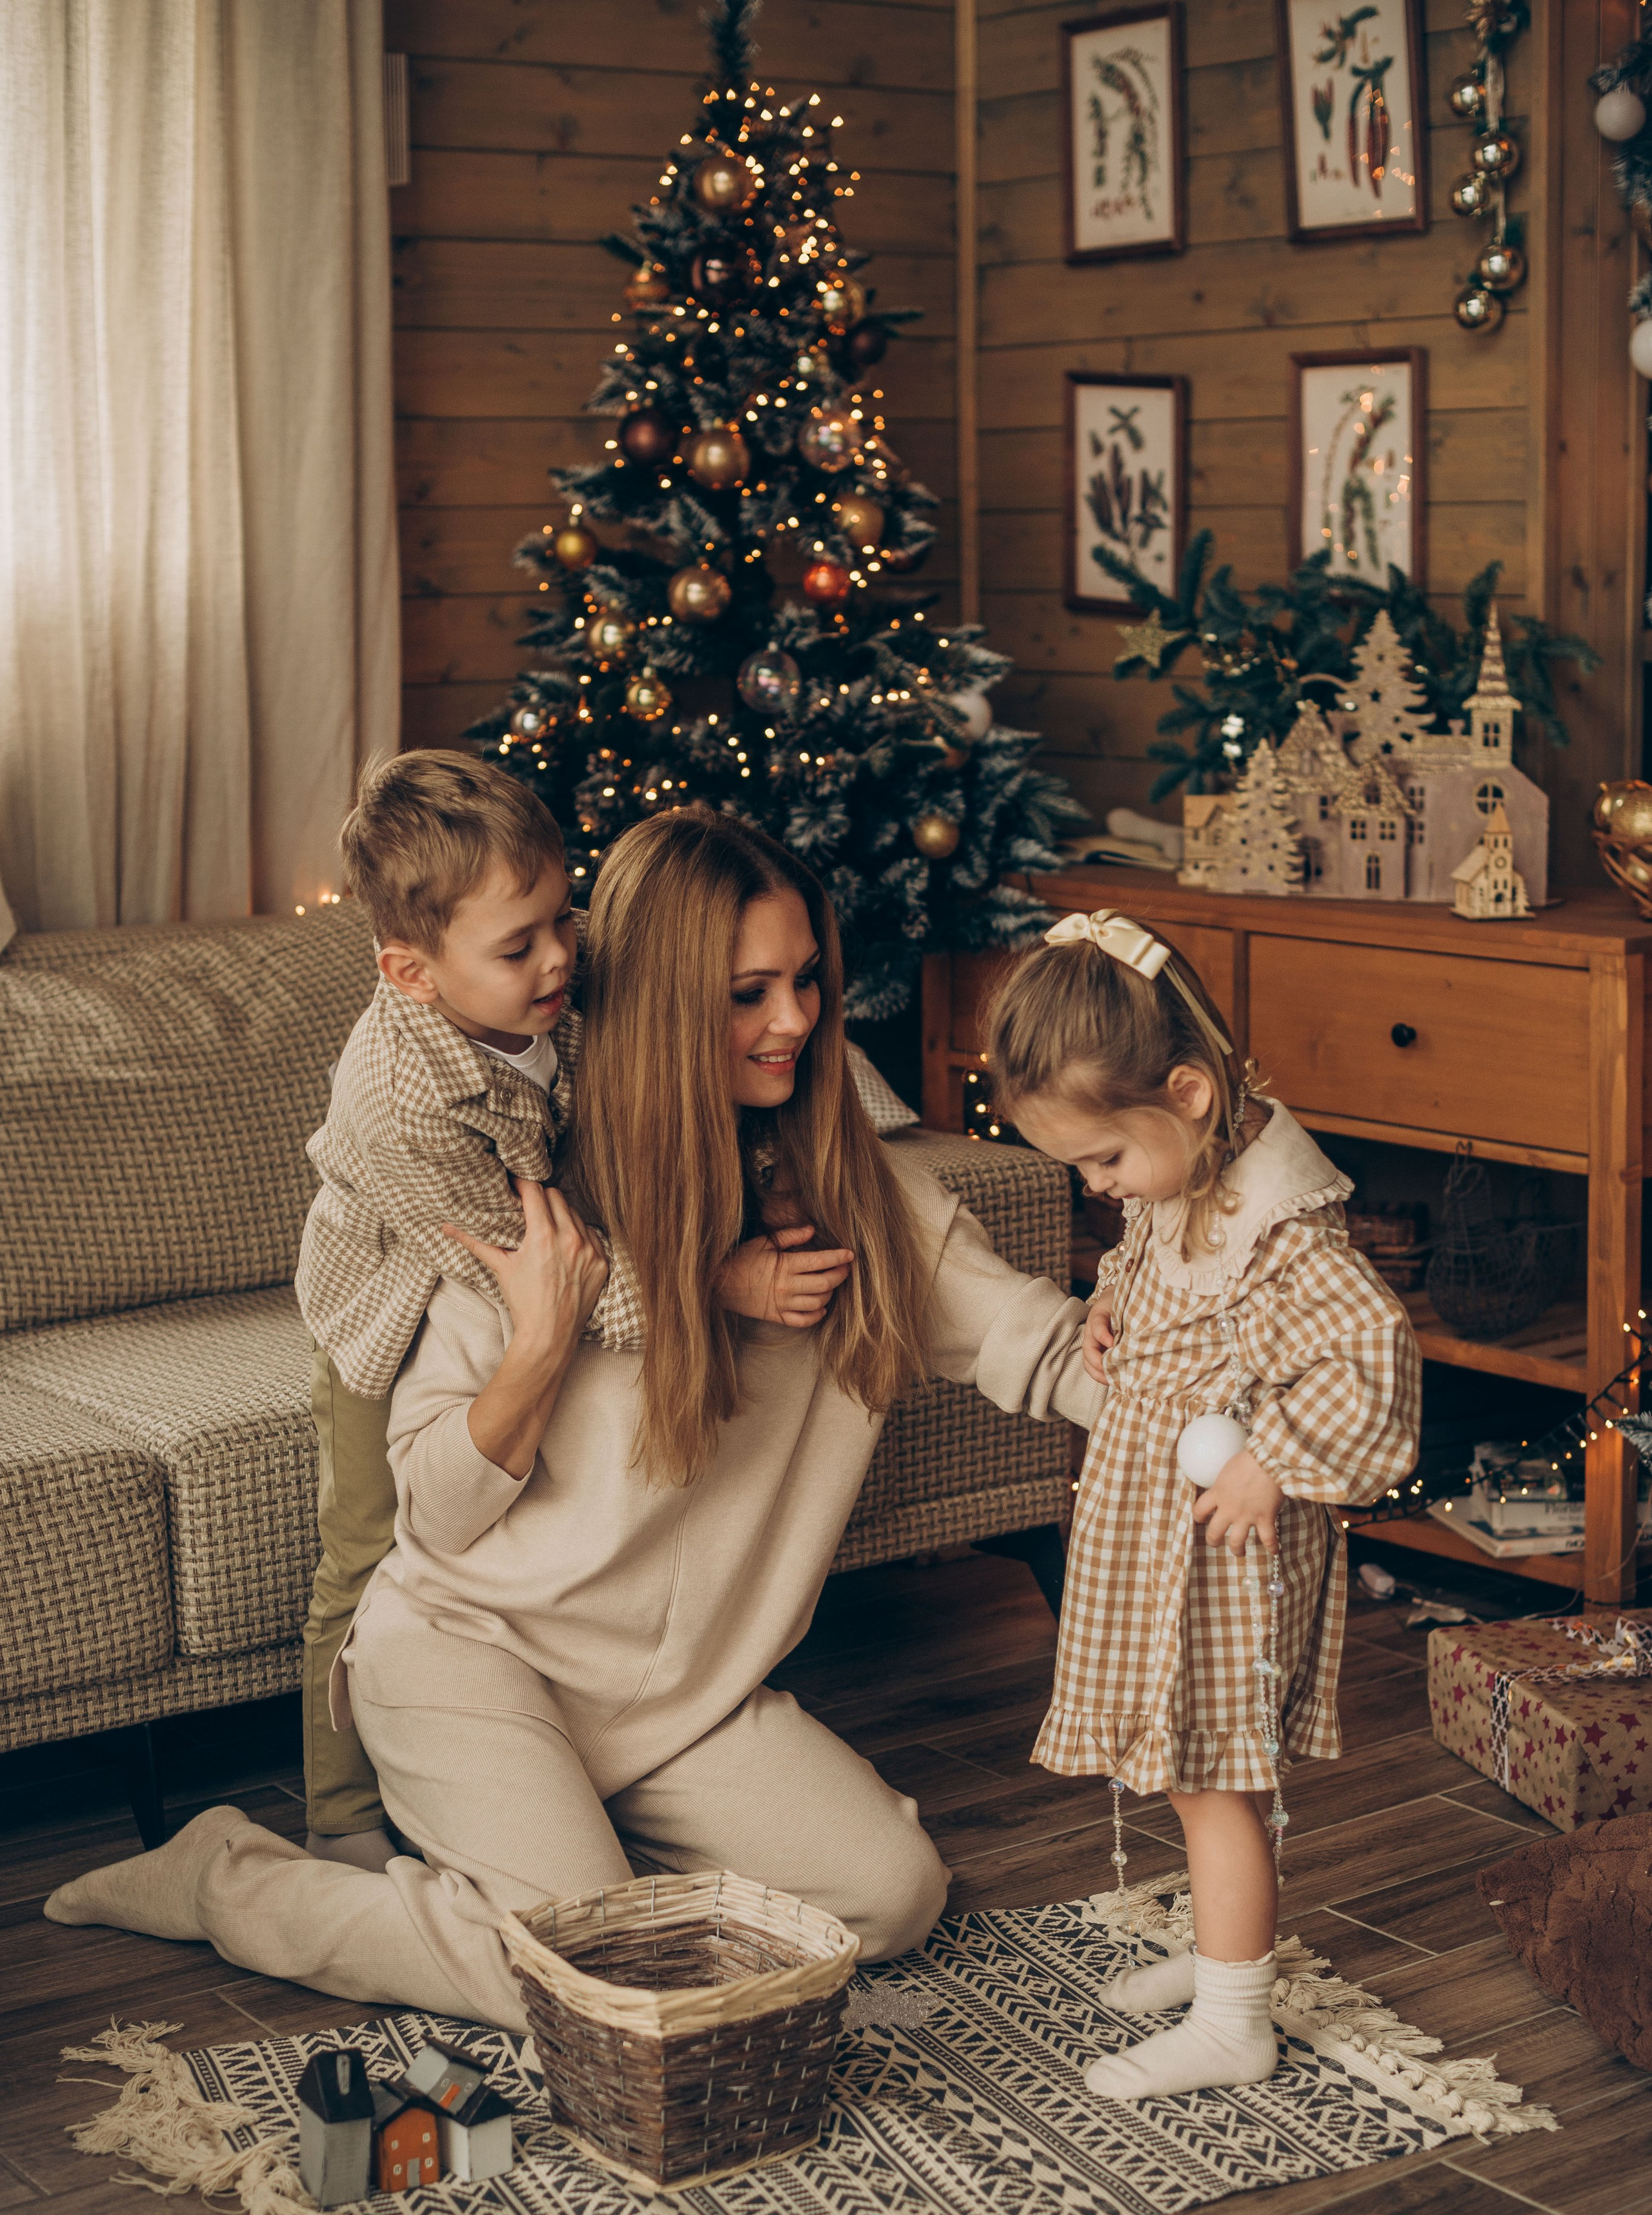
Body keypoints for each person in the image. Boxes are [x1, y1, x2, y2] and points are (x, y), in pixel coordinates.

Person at [45, 811, 1102, 2028]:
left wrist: (1200, 1405)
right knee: (594, 1987)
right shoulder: (527, 1202)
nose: (799, 1021)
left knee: (892, 1901)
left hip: (683, 1708)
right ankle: (232, 1880)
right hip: (471, 1659)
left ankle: (570, 1885)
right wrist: (542, 1340)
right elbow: (436, 1510)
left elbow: (1048, 1345)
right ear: (658, 1007)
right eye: (749, 992)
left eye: (809, 980)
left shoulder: (870, 1200)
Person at [294, 753, 856, 1872]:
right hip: (407, 1287)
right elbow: (556, 1273)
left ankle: (586, 1779)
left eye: (563, 916)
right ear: (411, 971)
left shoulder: (565, 961)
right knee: (368, 1546)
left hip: (554, 1228)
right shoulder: (405, 1102)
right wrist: (723, 1280)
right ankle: (343, 1814)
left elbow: (676, 1036)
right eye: (520, 948)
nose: (560, 955)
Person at [984, 906, 1420, 2101]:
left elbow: (1371, 1355)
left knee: (1212, 1774)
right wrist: (1114, 1299)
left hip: (1224, 1555)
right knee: (1183, 1767)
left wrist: (1271, 1457)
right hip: (1163, 1541)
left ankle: (1237, 2018)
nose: (1097, 1185)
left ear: (1185, 1092)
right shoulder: (1188, 1168)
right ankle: (1224, 1953)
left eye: (1102, 1161)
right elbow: (1150, 1242)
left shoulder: (1288, 1242)